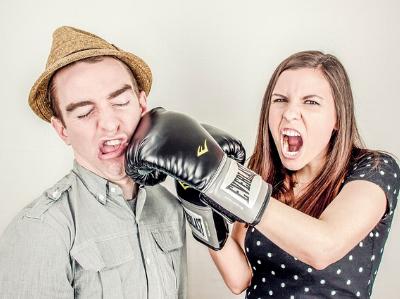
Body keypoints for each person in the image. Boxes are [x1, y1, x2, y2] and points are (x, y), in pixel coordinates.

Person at [125, 51, 399, 299]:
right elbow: (239, 278)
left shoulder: (373, 169)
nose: (290, 113)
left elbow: (323, 247)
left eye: (311, 102)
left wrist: (223, 179)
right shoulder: (262, 175)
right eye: (280, 100)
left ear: (338, 117)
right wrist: (196, 201)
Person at [0, 26, 187, 299]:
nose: (110, 124)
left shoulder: (170, 207)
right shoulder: (41, 230)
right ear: (62, 129)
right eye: (85, 113)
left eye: (121, 102)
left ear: (142, 105)